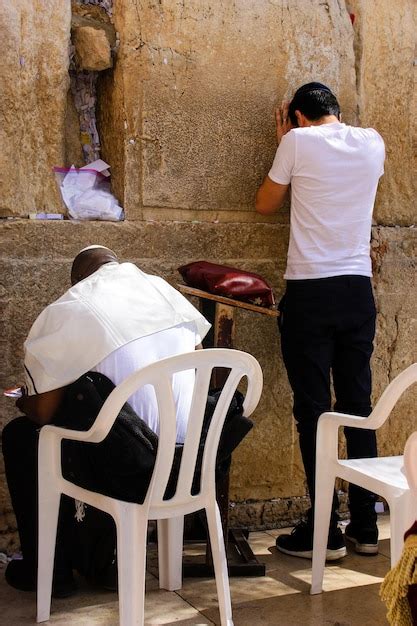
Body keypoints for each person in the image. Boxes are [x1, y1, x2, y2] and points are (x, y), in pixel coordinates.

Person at [2, 245, 211, 595]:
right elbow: (198, 366)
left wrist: (25, 400)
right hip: (187, 466)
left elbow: (42, 411)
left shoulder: (75, 306)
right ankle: (100, 562)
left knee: (26, 436)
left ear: (78, 281)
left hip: (129, 471)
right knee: (106, 426)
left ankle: (50, 572)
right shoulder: (164, 293)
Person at [256, 82, 385, 560]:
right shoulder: (372, 142)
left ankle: (324, 530)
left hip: (311, 292)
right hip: (357, 290)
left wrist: (284, 145)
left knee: (314, 411)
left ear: (296, 116)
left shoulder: (295, 141)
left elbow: (265, 204)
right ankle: (367, 526)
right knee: (358, 404)